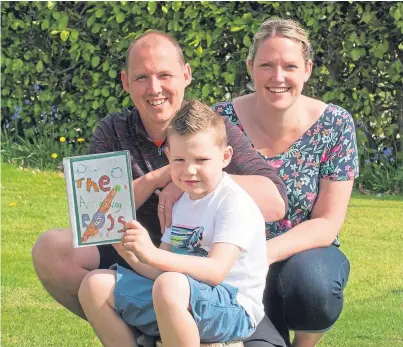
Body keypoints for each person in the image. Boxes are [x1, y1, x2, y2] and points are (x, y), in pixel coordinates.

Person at [31, 31, 288, 346]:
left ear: (186, 75)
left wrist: (185, 176)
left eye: (164, 75)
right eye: (142, 77)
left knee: (172, 287)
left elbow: (274, 202)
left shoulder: (211, 129)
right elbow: (95, 216)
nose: (154, 88)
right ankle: (151, 334)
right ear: (126, 82)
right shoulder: (113, 131)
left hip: (216, 288)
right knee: (70, 263)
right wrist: (161, 178)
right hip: (156, 259)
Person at [213, 18, 359, 347]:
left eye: (289, 66)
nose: (278, 77)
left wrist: (263, 254)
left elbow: (327, 222)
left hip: (304, 258)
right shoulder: (218, 122)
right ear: (250, 67)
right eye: (266, 65)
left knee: (315, 288)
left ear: (307, 68)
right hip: (235, 262)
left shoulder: (335, 124)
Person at [78, 100, 269, 347]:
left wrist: (152, 253)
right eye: (179, 160)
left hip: (232, 308)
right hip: (177, 295)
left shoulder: (232, 202)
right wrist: (128, 249)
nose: (189, 170)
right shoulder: (183, 202)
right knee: (95, 285)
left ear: (225, 157)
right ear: (168, 157)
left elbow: (215, 271)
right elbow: (159, 270)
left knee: (170, 285)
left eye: (201, 160)